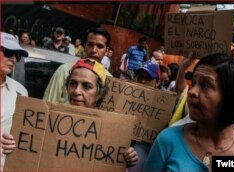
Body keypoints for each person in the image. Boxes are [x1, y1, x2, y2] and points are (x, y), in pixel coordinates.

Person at [2, 58, 138, 168]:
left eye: (86, 86)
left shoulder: (111, 133)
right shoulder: (43, 122)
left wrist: (125, 161)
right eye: (73, 84)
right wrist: (11, 147)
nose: (77, 91)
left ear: (99, 93)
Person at [144, 53, 234, 171]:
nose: (192, 91)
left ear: (233, 97)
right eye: (194, 83)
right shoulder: (167, 140)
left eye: (206, 85)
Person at [43, 27, 112, 104]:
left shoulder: (109, 79)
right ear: (85, 46)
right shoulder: (64, 70)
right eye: (90, 45)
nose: (93, 50)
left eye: (99, 46)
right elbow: (48, 104)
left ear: (106, 51)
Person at [1, 32, 29, 170]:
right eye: (8, 52)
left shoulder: (20, 92)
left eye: (17, 56)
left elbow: (24, 133)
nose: (13, 59)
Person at [128, 60, 160, 172]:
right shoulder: (125, 95)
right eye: (140, 76)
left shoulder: (163, 105)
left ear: (157, 82)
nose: (142, 80)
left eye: (148, 78)